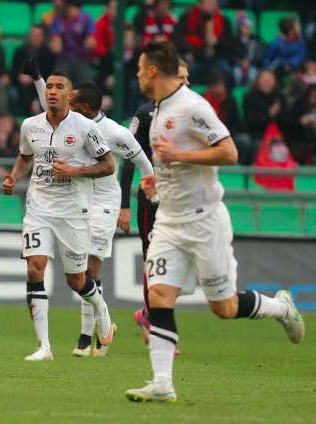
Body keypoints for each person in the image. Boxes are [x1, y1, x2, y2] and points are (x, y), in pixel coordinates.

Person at [125, 41, 304, 403]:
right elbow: (173, 163)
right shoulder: (158, 110)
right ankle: (162, 383)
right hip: (170, 222)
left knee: (223, 307)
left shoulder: (193, 106)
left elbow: (229, 151)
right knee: (159, 294)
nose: (138, 75)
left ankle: (281, 307)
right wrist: (158, 179)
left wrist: (180, 154)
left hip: (205, 222)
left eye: (141, 69)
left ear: (155, 70)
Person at [29, 68, 154, 357]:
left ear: (83, 107)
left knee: (91, 268)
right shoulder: (72, 124)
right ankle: (97, 326)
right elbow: (48, 104)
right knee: (80, 271)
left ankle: (87, 337)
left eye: (70, 99)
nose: (63, 102)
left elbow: (140, 158)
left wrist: (144, 192)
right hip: (77, 200)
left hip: (104, 202)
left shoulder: (114, 132)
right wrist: (37, 79)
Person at [2, 71, 115, 361]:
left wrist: (76, 171)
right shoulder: (30, 126)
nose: (52, 91)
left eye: (59, 87)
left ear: (70, 94)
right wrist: (14, 178)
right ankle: (44, 346)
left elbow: (109, 166)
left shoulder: (87, 128)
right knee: (34, 268)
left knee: (76, 280)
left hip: (73, 211)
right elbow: (25, 156)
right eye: (49, 86)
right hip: (39, 207)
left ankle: (101, 308)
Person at [121, 59, 189, 348]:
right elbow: (128, 159)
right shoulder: (144, 113)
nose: (186, 83)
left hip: (177, 198)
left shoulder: (190, 114)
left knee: (171, 260)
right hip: (150, 200)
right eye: (181, 77)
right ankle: (153, 322)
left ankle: (148, 314)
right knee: (153, 259)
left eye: (189, 77)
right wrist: (124, 204)